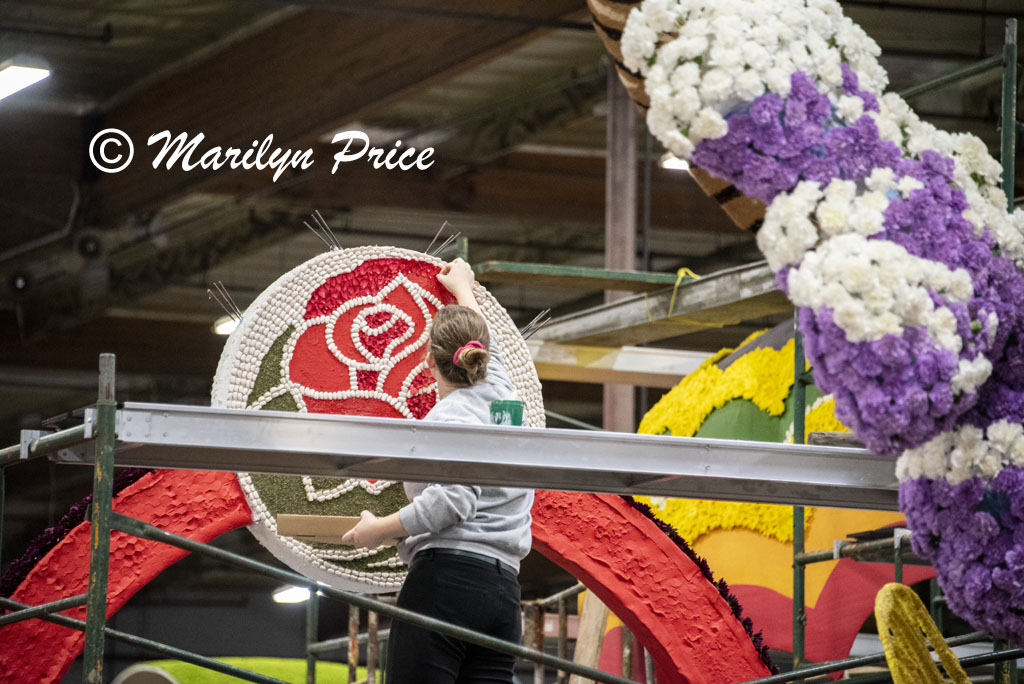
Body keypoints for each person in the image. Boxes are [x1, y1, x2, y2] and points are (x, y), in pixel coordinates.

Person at [341, 257, 534, 684]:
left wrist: (381, 529)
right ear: (480, 352)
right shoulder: (502, 395)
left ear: (428, 361)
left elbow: (453, 499)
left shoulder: (451, 418)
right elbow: (488, 345)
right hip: (503, 594)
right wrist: (464, 290)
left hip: (447, 585)